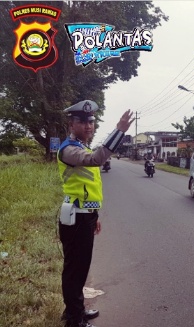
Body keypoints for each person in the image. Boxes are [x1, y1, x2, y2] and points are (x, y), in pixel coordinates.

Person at [57, 100, 134, 327]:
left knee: (80, 268)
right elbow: (97, 159)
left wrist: (95, 215)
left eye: (91, 121)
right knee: (75, 270)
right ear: (71, 124)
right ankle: (74, 319)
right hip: (76, 218)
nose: (88, 125)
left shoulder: (81, 146)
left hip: (85, 215)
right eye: (82, 121)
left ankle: (76, 309)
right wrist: (119, 131)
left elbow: (88, 189)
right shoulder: (69, 150)